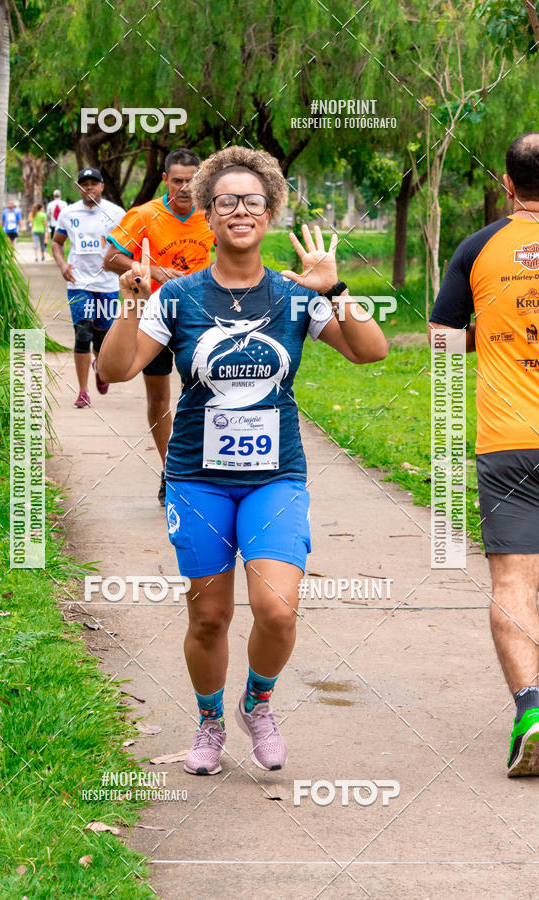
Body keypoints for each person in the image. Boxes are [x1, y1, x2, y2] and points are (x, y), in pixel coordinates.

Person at [98, 147, 388, 776]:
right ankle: (208, 722)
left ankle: (258, 702)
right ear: (207, 212)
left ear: (270, 212)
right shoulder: (177, 297)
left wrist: (336, 289)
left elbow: (371, 352)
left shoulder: (295, 294)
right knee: (209, 617)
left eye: (252, 201)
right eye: (225, 201)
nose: (239, 211)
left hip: (274, 477)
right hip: (197, 479)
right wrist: (129, 301)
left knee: (277, 611)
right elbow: (114, 369)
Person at [429, 132, 539, 777]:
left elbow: (441, 341)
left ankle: (531, 710)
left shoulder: (478, 247)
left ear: (507, 183)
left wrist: (492, 332)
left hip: (510, 441)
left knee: (514, 582)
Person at [103, 148, 215, 506]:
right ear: (165, 179)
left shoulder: (211, 214)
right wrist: (153, 271)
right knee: (158, 398)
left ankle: (208, 468)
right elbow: (110, 259)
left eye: (192, 180)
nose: (185, 188)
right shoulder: (144, 215)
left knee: (207, 393)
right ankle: (171, 470)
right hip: (155, 317)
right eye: (177, 180)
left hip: (200, 318)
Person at [51, 168, 125, 408]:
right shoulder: (68, 213)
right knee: (83, 334)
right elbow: (56, 242)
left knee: (101, 340)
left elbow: (127, 246)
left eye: (94, 183)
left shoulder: (117, 213)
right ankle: (83, 391)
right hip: (78, 282)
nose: (89, 187)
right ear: (78, 187)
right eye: (85, 184)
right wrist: (62, 265)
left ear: (102, 186)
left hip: (107, 285)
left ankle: (99, 368)